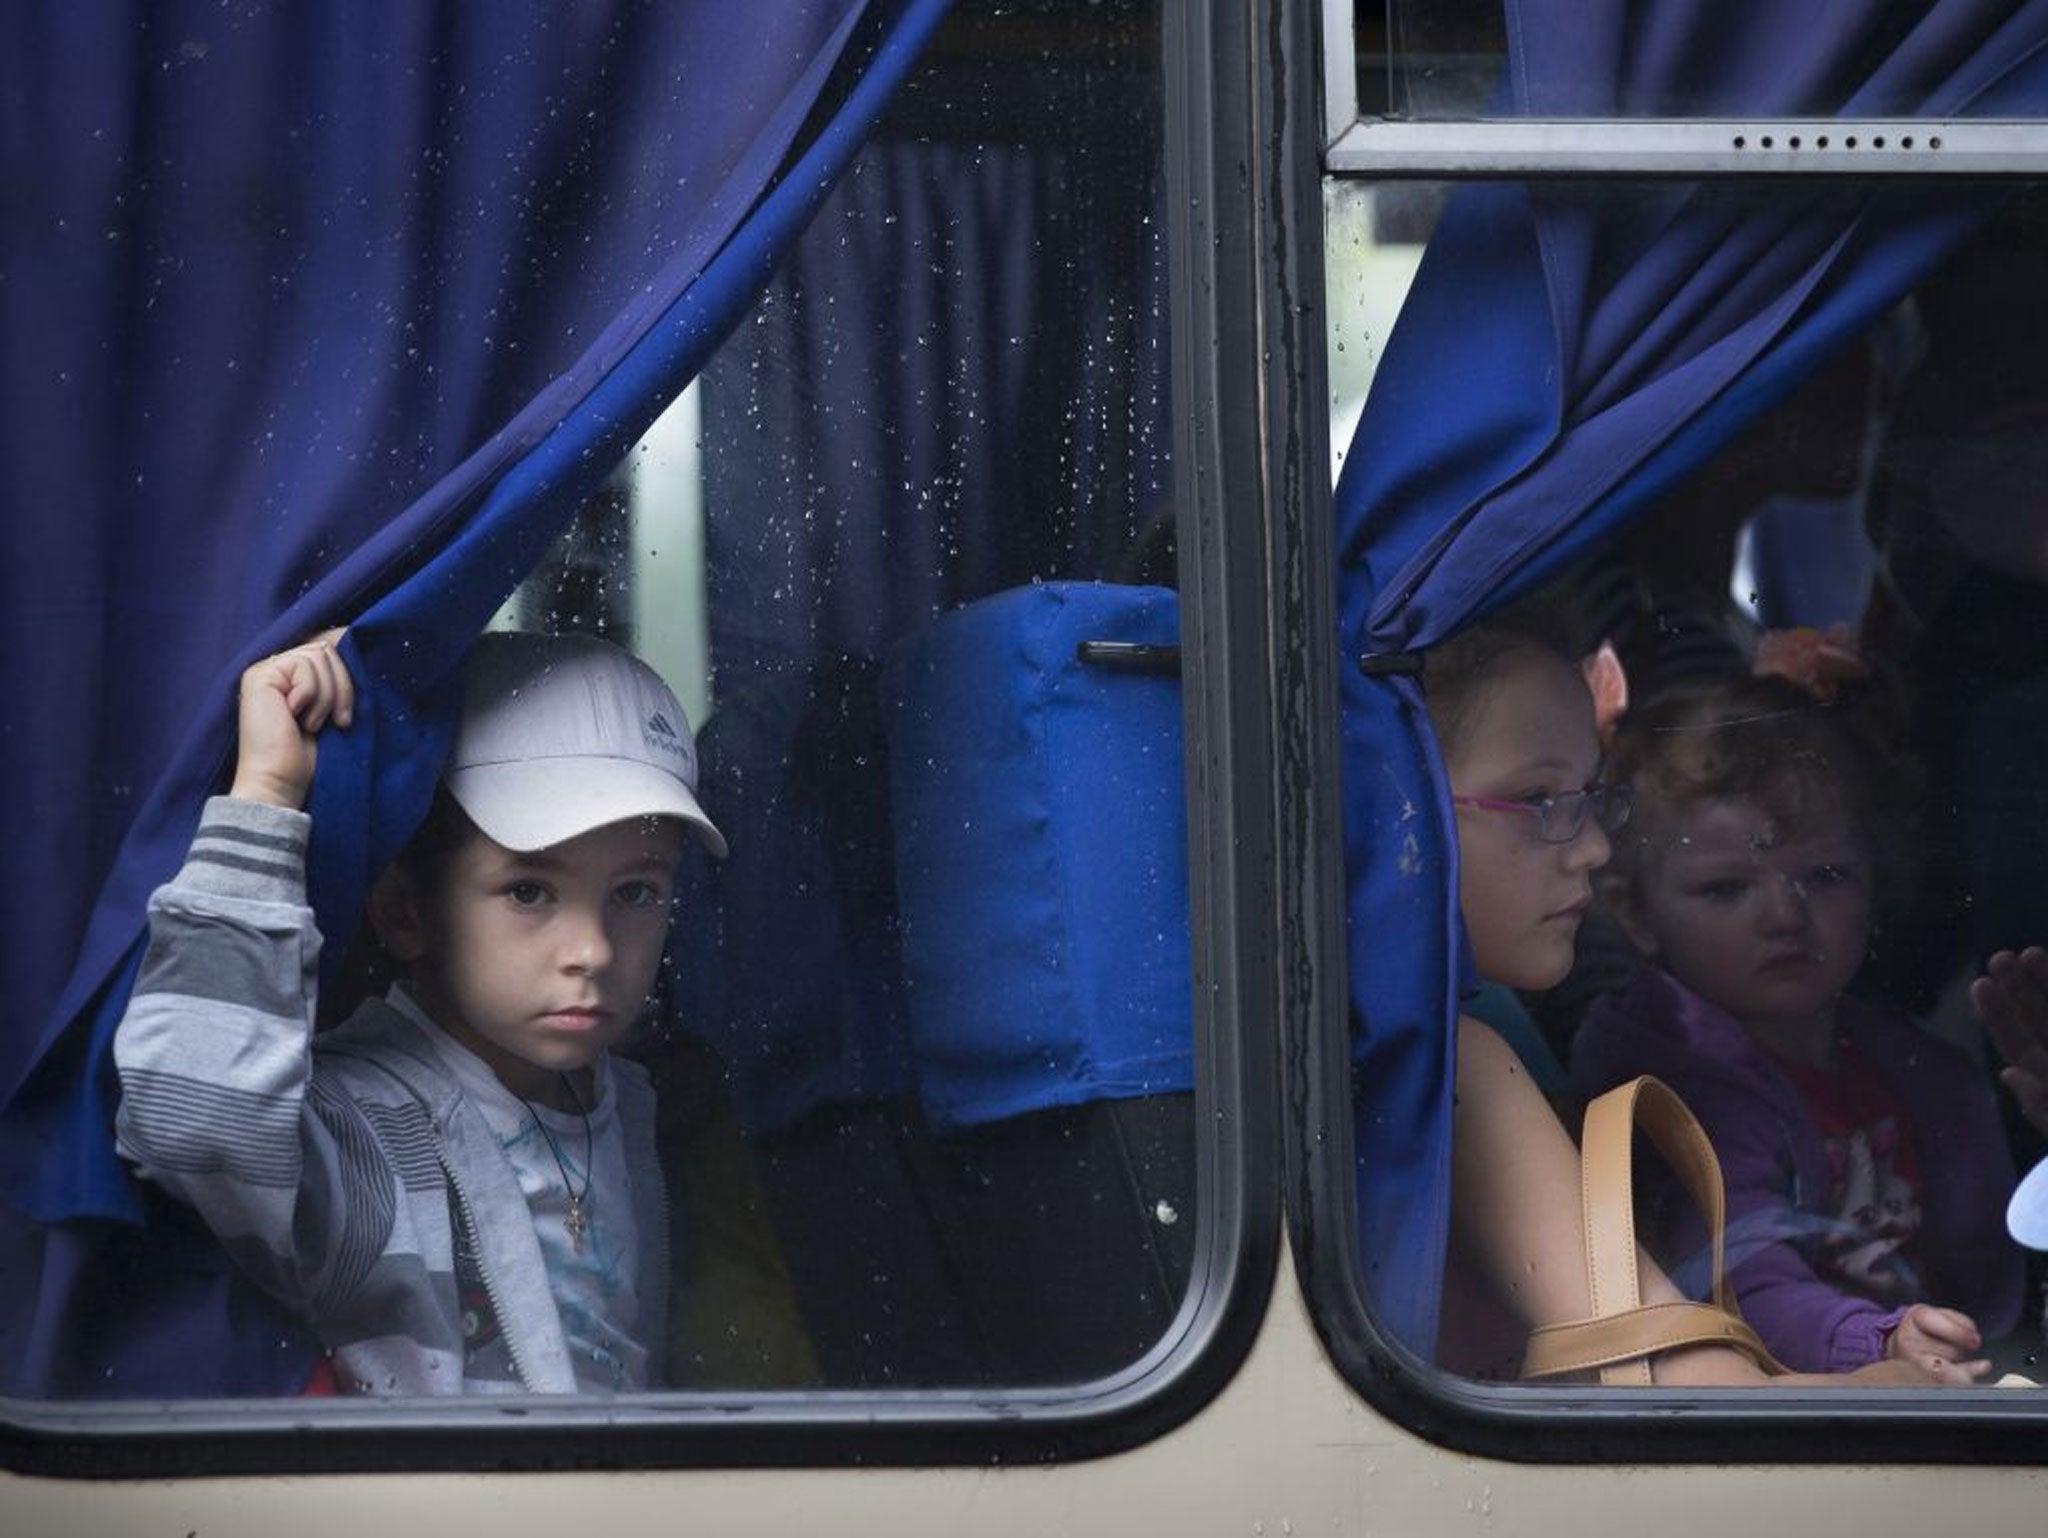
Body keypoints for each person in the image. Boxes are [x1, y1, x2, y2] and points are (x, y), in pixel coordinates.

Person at [114, 627, 726, 1394]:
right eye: (529, 891)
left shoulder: (637, 1103)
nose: (594, 951)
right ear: (406, 911)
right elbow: (195, 1122)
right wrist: (266, 795)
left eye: (636, 893)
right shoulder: (364, 1125)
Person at [1423, 607, 1957, 1385]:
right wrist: (1893, 1380)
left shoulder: (1478, 1024)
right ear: (1398, 804)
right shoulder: (1463, 1060)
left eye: (1589, 797)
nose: (1598, 848)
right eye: (1541, 801)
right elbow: (1689, 1384)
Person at [1569, 670, 2023, 1376]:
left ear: (1877, 878)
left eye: (1826, 876)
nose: (1785, 915)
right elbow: (1740, 1284)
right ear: (1635, 915)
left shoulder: (1914, 1067)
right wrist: (1877, 1343)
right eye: (1726, 888)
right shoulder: (1670, 1084)